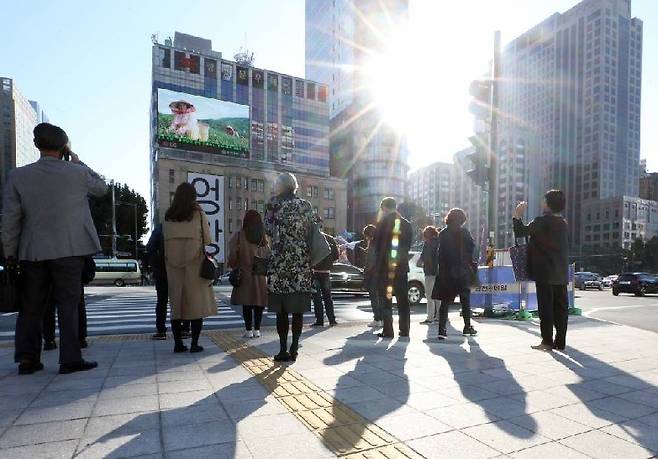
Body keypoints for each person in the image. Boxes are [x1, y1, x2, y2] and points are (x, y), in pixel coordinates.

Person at [1, 123, 105, 375]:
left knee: (31, 307)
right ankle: (70, 358)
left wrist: (9, 252)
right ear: (64, 147)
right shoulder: (77, 173)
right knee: (68, 305)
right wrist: (79, 162)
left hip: (32, 251)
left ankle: (27, 358)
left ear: (37, 145)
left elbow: (10, 218)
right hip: (69, 249)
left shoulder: (17, 176)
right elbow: (102, 188)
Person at [265, 172, 315, 362]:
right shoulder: (305, 205)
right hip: (301, 263)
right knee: (298, 309)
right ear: (294, 186)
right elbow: (312, 232)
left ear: (279, 186)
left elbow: (268, 231)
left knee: (282, 310)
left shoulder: (273, 204)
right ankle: (294, 347)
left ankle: (282, 350)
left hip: (279, 263)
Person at [513, 190, 569, 351]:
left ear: (548, 204)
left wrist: (517, 215)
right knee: (561, 309)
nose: (542, 202)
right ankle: (560, 342)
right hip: (560, 272)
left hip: (545, 272)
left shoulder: (542, 221)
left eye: (544, 200)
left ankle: (546, 341)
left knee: (546, 308)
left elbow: (520, 232)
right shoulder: (562, 223)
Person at [163, 182, 216, 353]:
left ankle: (178, 343)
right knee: (196, 304)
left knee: (176, 305)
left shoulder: (168, 216)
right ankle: (194, 343)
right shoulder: (199, 215)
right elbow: (208, 239)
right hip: (195, 264)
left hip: (172, 266)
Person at [432, 208, 478, 339]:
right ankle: (467, 326)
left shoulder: (443, 234)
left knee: (445, 302)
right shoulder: (464, 232)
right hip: (462, 271)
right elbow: (471, 249)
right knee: (465, 300)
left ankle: (442, 330)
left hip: (446, 272)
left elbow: (440, 254)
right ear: (462, 219)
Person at [372, 197, 412, 339]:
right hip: (401, 267)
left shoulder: (382, 224)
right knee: (403, 300)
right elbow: (407, 246)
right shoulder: (407, 224)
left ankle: (388, 330)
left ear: (384, 208)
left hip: (385, 269)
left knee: (386, 299)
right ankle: (405, 330)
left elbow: (378, 247)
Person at [228, 210, 270, 339]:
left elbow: (233, 255)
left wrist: (234, 265)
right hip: (260, 275)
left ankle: (248, 330)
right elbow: (269, 254)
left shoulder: (240, 235)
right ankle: (257, 329)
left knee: (246, 303)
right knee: (259, 303)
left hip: (245, 273)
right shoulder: (263, 237)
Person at [43, 256, 94, 350]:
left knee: (48, 308)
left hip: (46, 264)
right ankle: (80, 339)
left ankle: (49, 340)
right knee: (76, 305)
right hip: (72, 262)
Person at [311, 220, 339, 327]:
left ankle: (319, 320)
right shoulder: (330, 238)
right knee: (328, 296)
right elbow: (336, 255)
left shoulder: (312, 239)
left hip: (315, 271)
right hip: (326, 272)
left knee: (317, 297)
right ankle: (332, 319)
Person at [418, 226, 440, 325]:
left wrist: (421, 262)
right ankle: (439, 316)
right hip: (439, 272)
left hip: (429, 272)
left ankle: (430, 317)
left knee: (429, 296)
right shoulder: (439, 242)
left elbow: (424, 257)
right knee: (437, 296)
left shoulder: (428, 243)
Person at [362, 224, 382, 327]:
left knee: (373, 296)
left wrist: (366, 272)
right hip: (380, 273)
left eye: (366, 236)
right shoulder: (380, 243)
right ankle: (381, 318)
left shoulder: (372, 245)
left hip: (373, 274)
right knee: (380, 297)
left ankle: (377, 319)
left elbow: (370, 262)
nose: (366, 238)